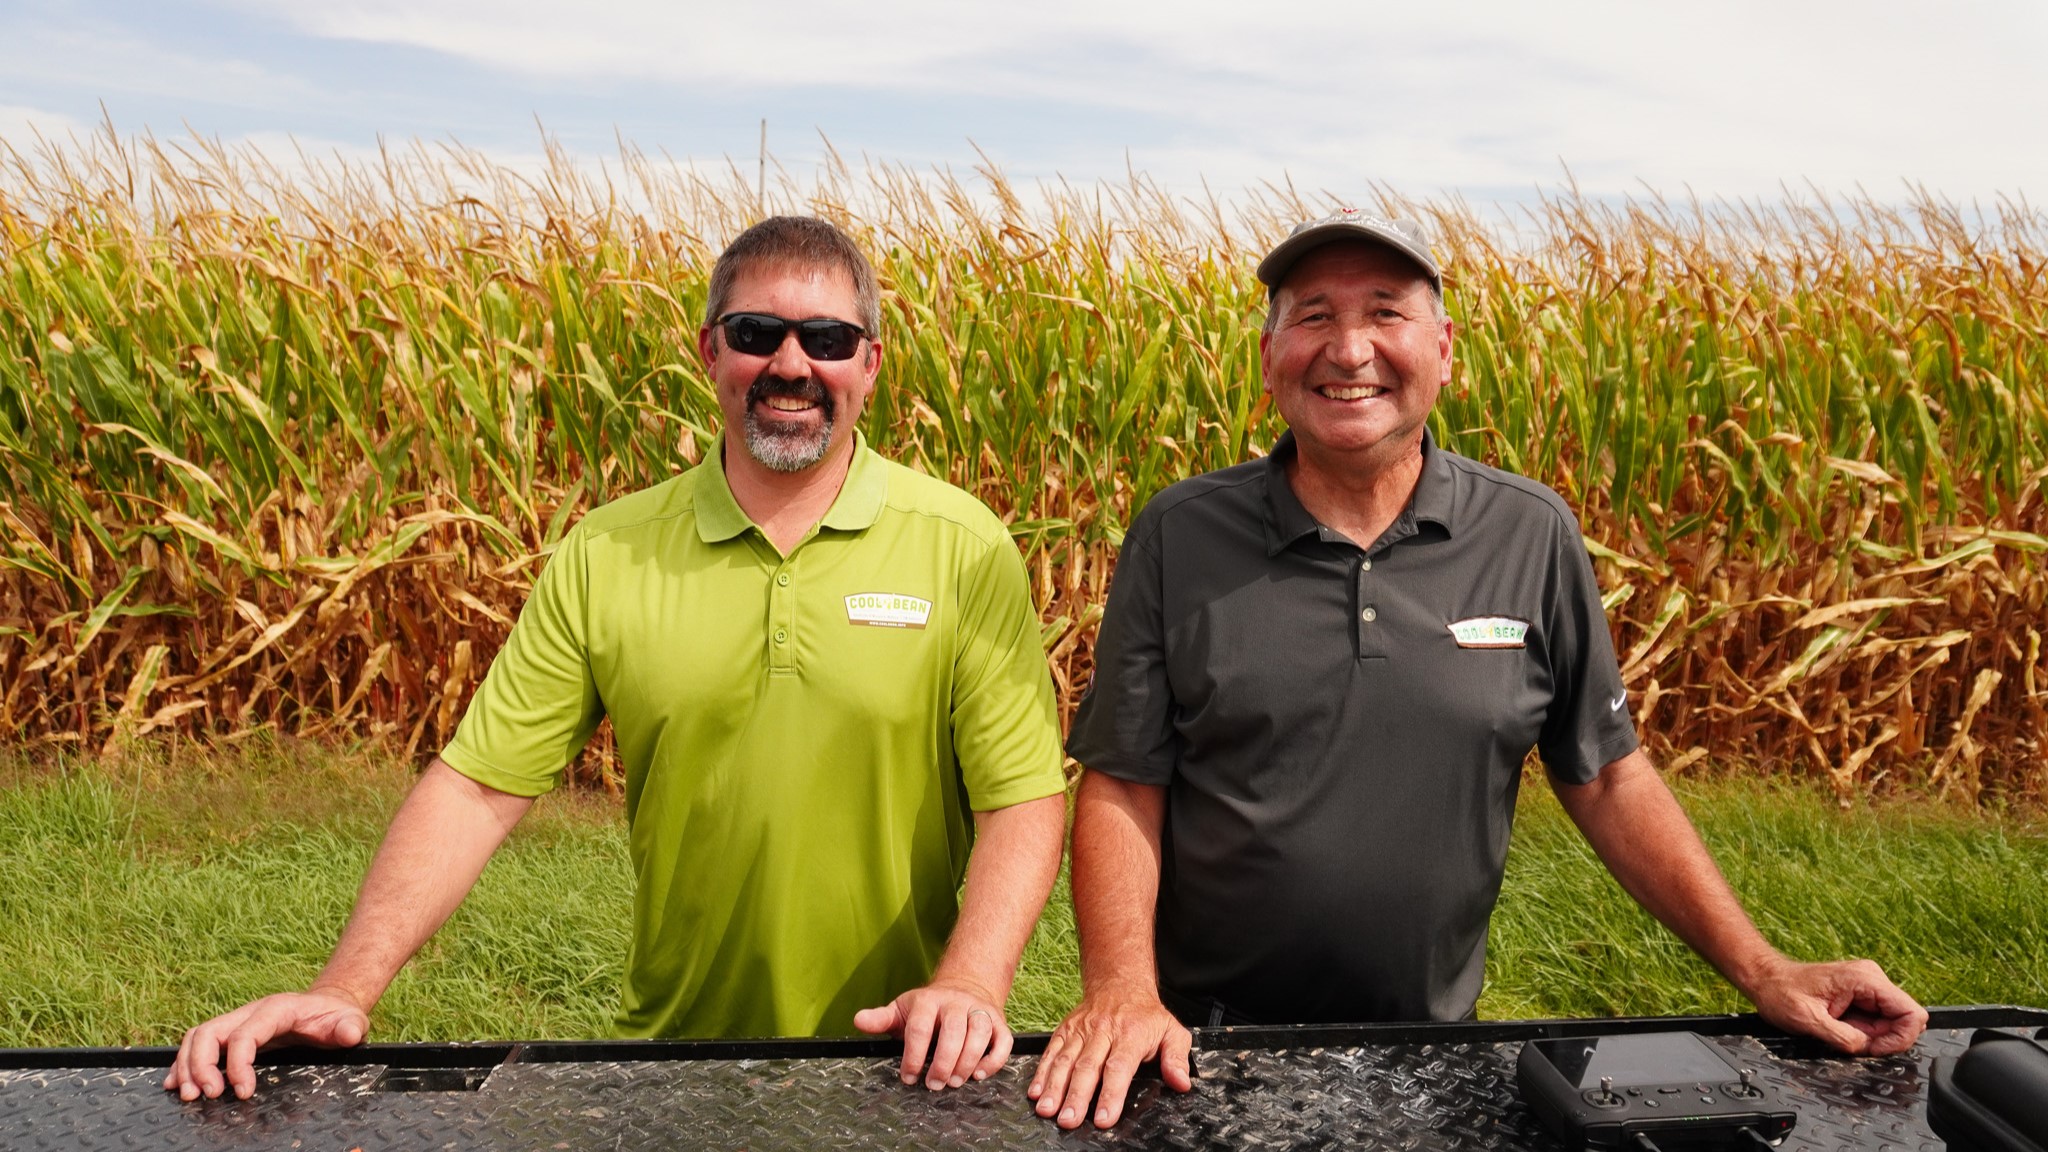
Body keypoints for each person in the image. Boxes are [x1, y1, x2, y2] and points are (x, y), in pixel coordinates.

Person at [1027, 209, 1929, 1130]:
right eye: (1313, 317)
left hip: (1440, 1051)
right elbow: (1124, 780)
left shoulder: (1529, 533)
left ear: (1445, 350)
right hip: (1203, 1048)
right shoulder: (1180, 536)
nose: (1349, 350)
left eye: (1386, 313)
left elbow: (1607, 775)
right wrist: (1121, 990)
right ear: (1269, 357)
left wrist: (1765, 969)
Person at [165, 216, 1069, 1102]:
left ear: (869, 362)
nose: (792, 365)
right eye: (758, 333)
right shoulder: (610, 553)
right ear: (710, 350)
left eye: (826, 338)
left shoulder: (962, 549)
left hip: (904, 1065)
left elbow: (1021, 796)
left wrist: (971, 982)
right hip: (672, 1072)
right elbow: (476, 789)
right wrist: (343, 987)